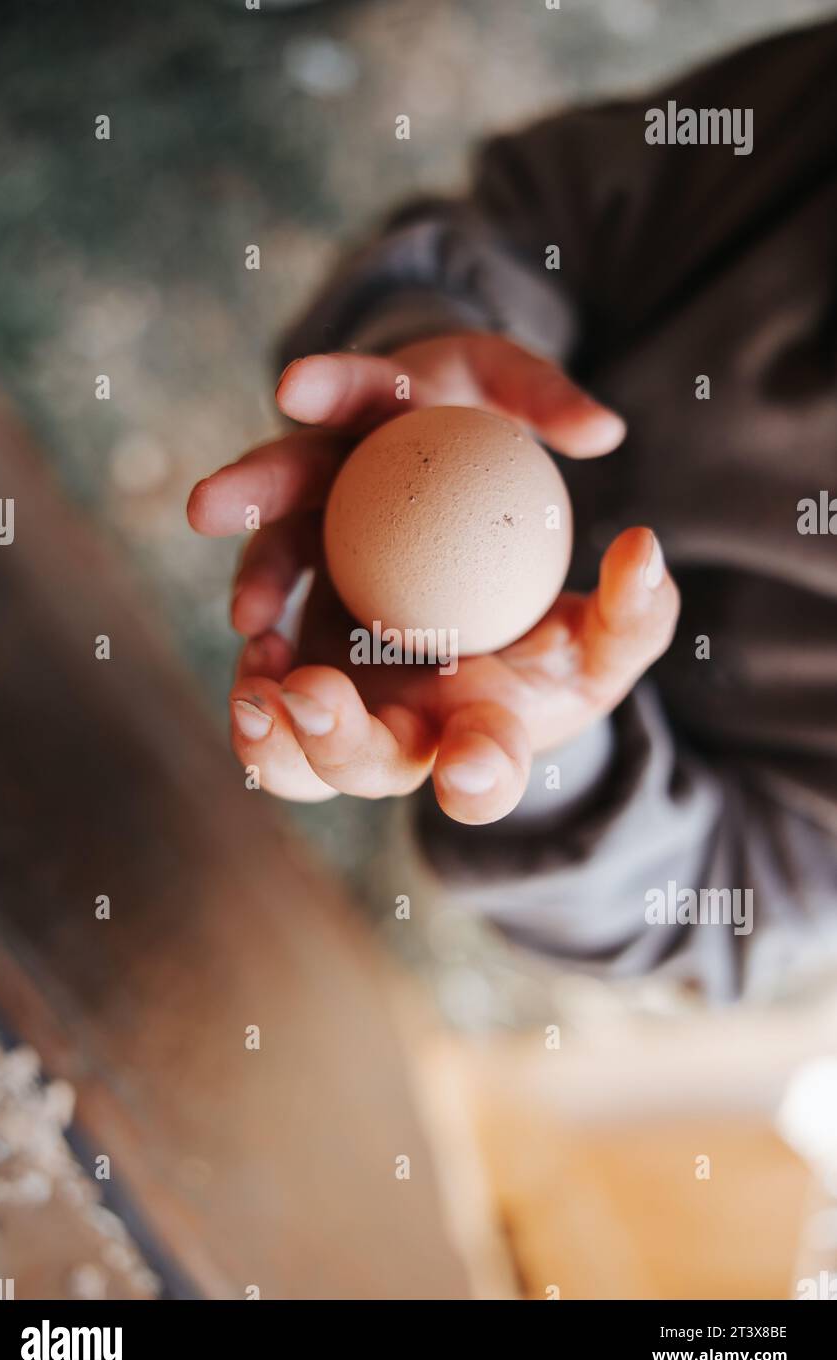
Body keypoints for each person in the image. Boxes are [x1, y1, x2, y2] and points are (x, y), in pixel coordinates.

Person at [188, 19, 837, 1001]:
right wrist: (437, 338)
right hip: (365, 491)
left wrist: (552, 756)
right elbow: (554, 217)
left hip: (500, 850)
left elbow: (727, 898)